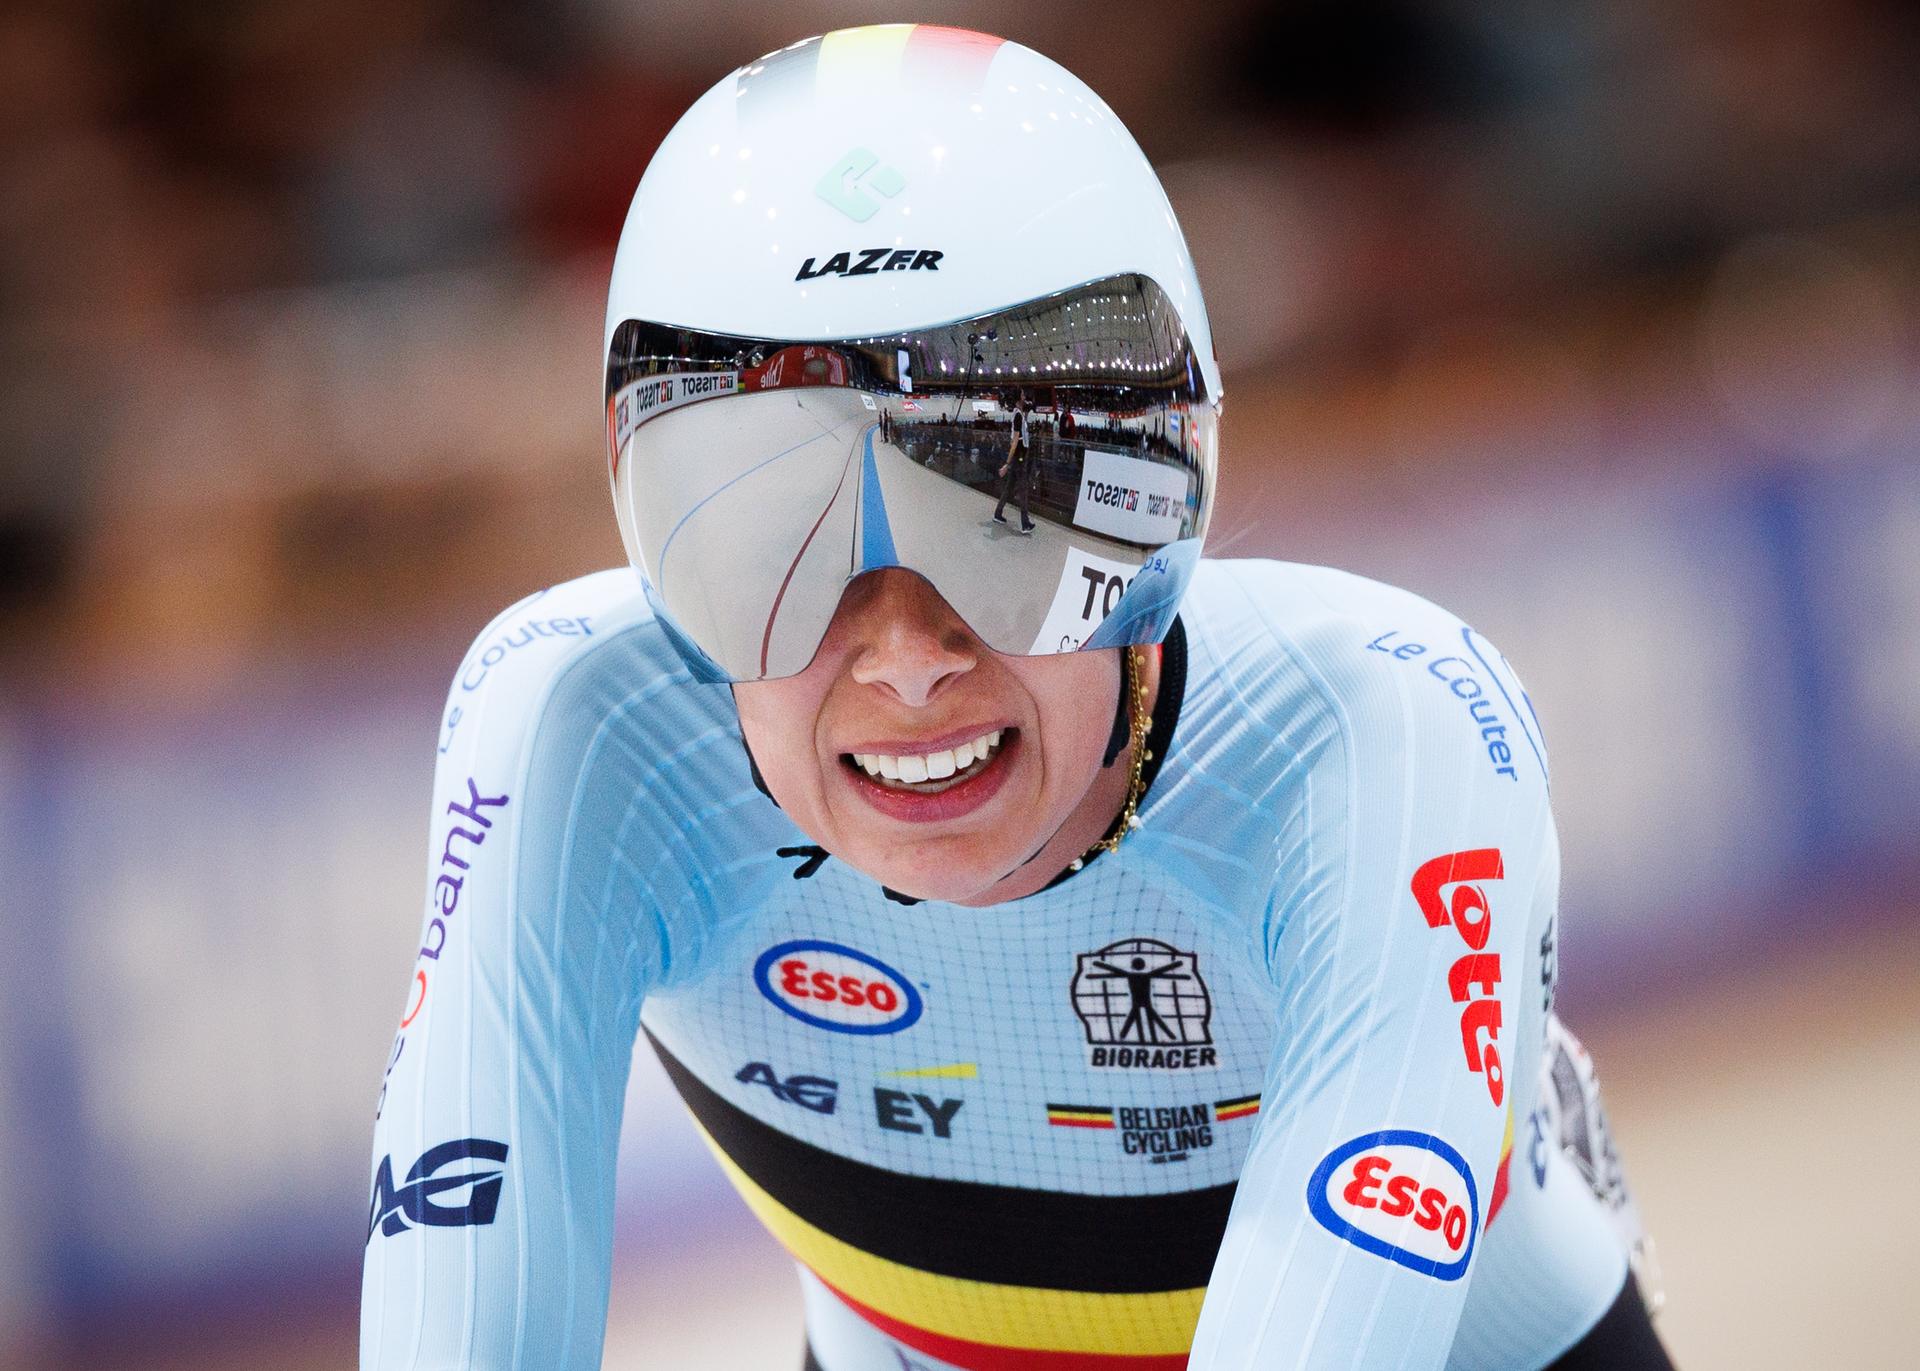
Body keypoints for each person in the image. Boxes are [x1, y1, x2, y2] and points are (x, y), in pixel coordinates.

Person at [361, 24, 1673, 1371]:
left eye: (1001, 512)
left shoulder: (1386, 730)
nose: (905, 654)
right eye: (768, 541)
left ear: (1168, 506)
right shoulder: (583, 720)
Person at [992, 391, 1036, 533]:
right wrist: (1007, 463)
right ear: (1018, 399)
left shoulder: (1019, 413)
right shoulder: (1017, 416)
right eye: (1022, 395)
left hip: (1020, 455)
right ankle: (1025, 523)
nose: (1024, 397)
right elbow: (1015, 441)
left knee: (1010, 487)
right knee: (1023, 488)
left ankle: (998, 513)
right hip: (1020, 456)